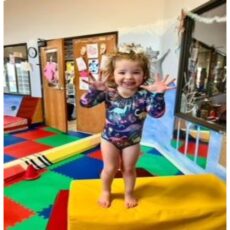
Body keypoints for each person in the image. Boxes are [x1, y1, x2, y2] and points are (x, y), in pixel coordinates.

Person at [80, 44, 175, 208]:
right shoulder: (109, 92)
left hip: (132, 141)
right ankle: (105, 191)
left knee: (129, 169)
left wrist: (159, 95)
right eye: (122, 72)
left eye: (136, 72)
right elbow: (85, 103)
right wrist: (94, 91)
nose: (129, 77)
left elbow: (156, 113)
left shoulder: (145, 95)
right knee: (110, 168)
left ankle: (129, 193)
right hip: (109, 139)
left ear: (144, 75)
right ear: (113, 74)